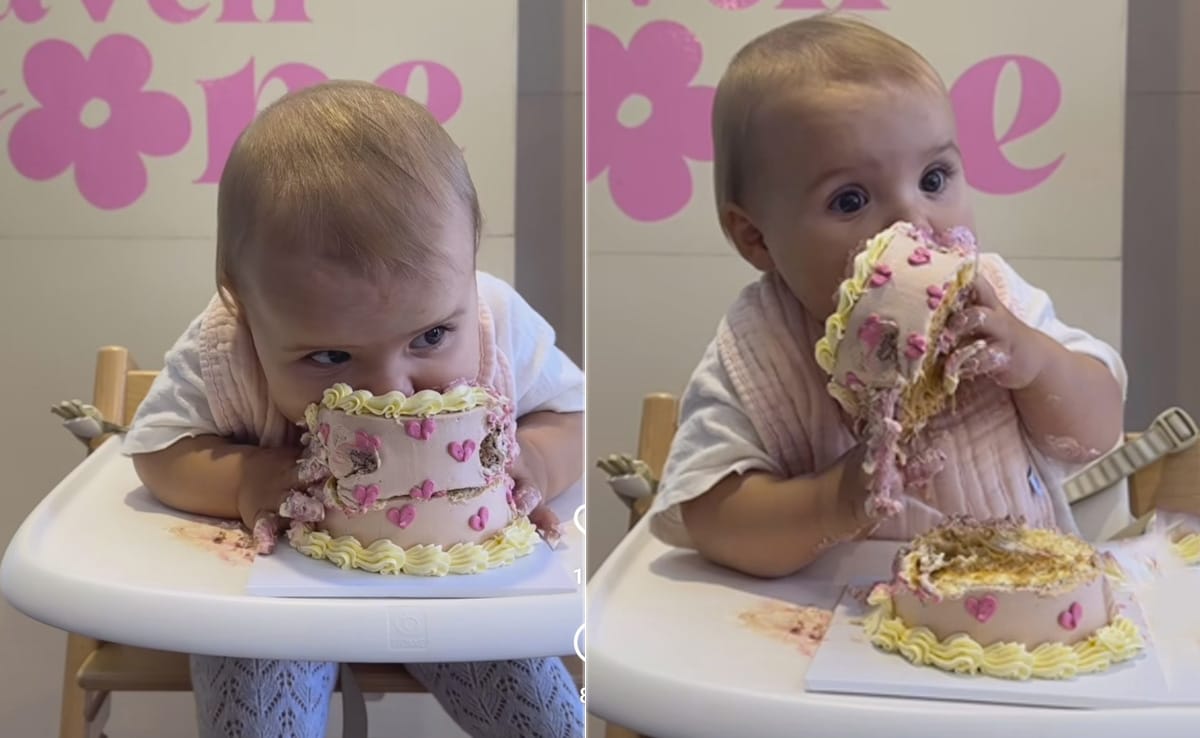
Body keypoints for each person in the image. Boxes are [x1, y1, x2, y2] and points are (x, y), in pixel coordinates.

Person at [124, 80, 584, 738]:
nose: (390, 389)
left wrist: (534, 457)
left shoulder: (496, 323)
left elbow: (573, 414)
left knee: (546, 715)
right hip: (275, 593)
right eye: (332, 358)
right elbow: (157, 453)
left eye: (430, 337)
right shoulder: (225, 347)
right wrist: (243, 477)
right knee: (257, 711)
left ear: (469, 269)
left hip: (455, 577)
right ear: (247, 308)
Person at [648, 15, 1125, 578]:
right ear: (757, 238)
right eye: (850, 200)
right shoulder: (760, 347)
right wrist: (833, 502)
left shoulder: (996, 299)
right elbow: (711, 516)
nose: (913, 219)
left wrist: (1034, 360)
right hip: (829, 635)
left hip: (1019, 613)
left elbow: (1095, 435)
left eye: (933, 178)